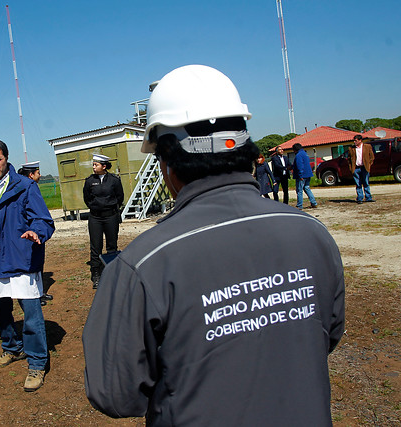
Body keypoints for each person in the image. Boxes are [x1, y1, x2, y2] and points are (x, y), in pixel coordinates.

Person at [83, 65, 345, 426]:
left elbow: (115, 393)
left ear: (166, 161)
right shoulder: (312, 233)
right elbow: (326, 335)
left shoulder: (143, 265)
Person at [0, 139, 55, 392]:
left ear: (6, 158)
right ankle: (12, 347)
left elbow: (44, 220)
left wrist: (36, 232)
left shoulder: (26, 186)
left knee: (31, 316)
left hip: (21, 260)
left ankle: (37, 363)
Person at [83, 154, 124, 289]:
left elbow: (119, 197)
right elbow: (87, 198)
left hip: (110, 216)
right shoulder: (89, 181)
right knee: (96, 246)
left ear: (104, 166)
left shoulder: (114, 180)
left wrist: (109, 207)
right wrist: (96, 207)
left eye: (96, 165)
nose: (93, 167)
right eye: (93, 165)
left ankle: (112, 272)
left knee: (112, 245)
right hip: (95, 217)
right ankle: (96, 274)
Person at [17, 161, 53, 306]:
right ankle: (34, 297)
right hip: (31, 233)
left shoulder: (28, 185)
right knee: (32, 265)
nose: (40, 175)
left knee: (38, 264)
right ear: (31, 175)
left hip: (36, 231)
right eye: (38, 173)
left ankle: (40, 293)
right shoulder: (27, 187)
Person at [348, 134, 375, 204]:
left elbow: (372, 157)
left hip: (364, 167)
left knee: (366, 182)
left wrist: (369, 165)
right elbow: (349, 159)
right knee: (358, 183)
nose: (354, 142)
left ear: (360, 140)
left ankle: (368, 197)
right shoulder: (351, 148)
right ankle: (360, 198)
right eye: (354, 140)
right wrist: (351, 168)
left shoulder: (367, 147)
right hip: (356, 168)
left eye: (356, 140)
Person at [292, 143, 318, 209]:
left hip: (302, 175)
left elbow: (299, 165)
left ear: (295, 149)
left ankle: (299, 205)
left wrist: (300, 175)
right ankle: (314, 203)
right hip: (308, 174)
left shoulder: (298, 155)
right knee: (307, 188)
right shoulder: (305, 154)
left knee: (299, 190)